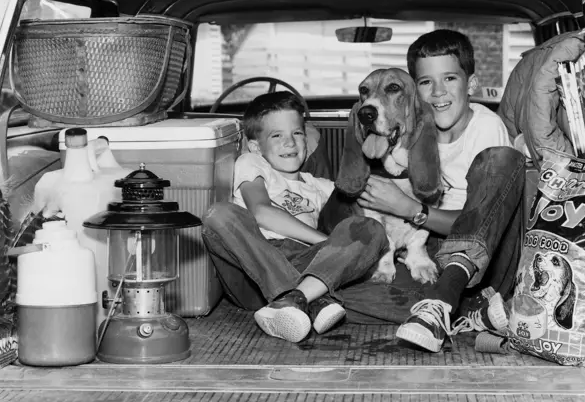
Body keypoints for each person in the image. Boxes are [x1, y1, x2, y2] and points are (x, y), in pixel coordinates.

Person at [347, 29, 525, 353]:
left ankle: (443, 302)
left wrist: (408, 209)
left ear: (470, 84)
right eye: (426, 82)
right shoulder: (403, 138)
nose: (438, 92)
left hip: (485, 257)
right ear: (415, 92)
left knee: (501, 159)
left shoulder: (486, 127)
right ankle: (470, 313)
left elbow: (482, 219)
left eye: (450, 79)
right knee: (352, 287)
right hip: (431, 251)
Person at [202, 91, 389, 344]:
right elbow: (262, 212)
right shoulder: (252, 163)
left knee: (370, 228)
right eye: (276, 135)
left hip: (309, 267)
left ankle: (295, 300)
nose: (289, 143)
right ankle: (314, 300)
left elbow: (365, 212)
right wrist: (326, 244)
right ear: (257, 146)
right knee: (220, 214)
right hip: (254, 266)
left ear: (306, 140)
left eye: (297, 133)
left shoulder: (320, 186)